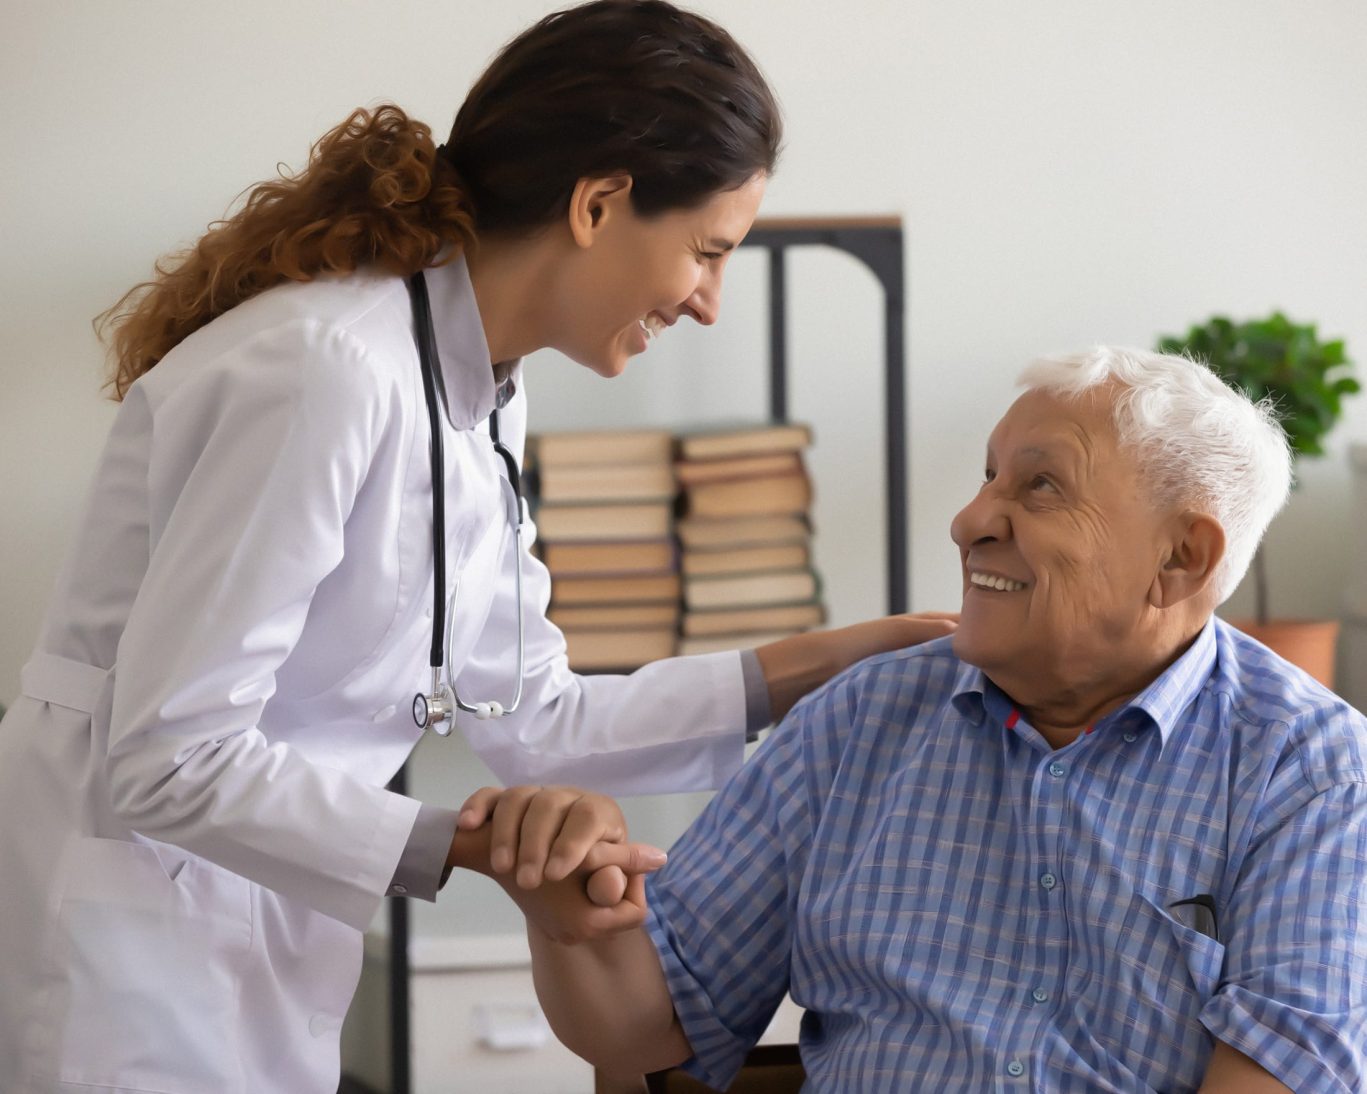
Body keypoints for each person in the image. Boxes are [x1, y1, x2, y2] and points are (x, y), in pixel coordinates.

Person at [0, 3, 956, 1090]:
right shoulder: (326, 369)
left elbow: (531, 716)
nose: (707, 302)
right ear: (599, 202)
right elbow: (167, 756)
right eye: (705, 252)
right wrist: (472, 840)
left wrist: (834, 659)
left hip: (247, 925)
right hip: (133, 937)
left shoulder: (477, 394)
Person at [503, 347, 1367, 1092]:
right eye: (988, 477)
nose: (969, 521)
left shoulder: (1311, 770)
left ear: (1182, 558)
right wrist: (567, 916)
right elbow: (651, 1032)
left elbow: (1280, 1070)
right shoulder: (859, 716)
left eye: (1039, 486)